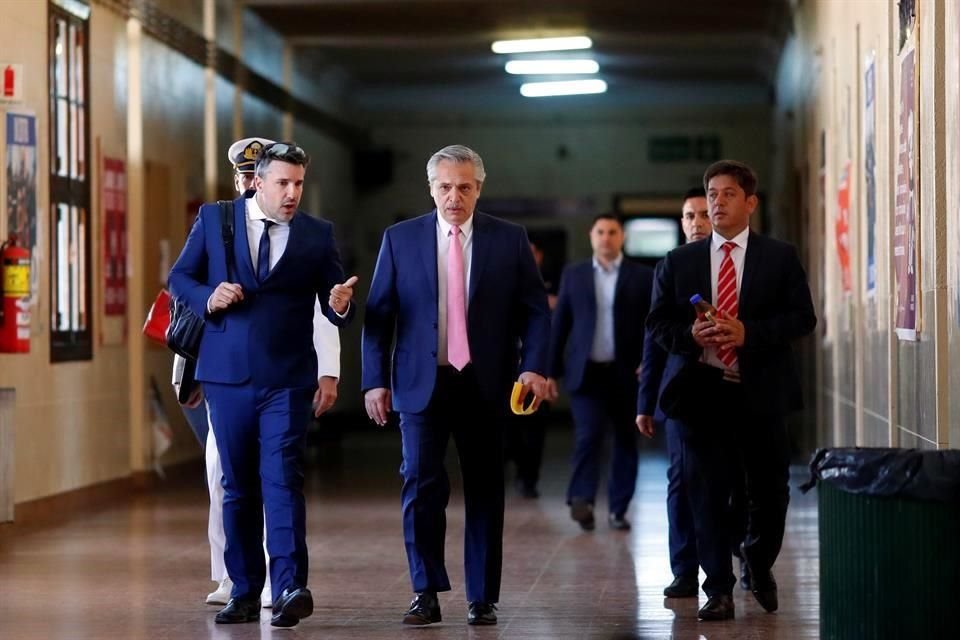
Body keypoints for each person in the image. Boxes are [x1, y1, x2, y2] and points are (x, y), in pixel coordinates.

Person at [169, 141, 357, 628]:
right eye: (283, 183)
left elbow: (334, 305)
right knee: (237, 487)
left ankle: (292, 585)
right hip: (226, 377)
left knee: (282, 480)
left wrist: (339, 304)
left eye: (298, 184)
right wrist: (209, 296)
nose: (292, 193)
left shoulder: (317, 235)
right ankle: (245, 590)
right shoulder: (216, 220)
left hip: (287, 379)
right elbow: (180, 277)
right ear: (258, 181)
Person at [361, 144, 550, 627]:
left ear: (478, 189)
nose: (454, 197)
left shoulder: (509, 240)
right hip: (419, 383)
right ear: (431, 188)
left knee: (486, 489)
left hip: (485, 384)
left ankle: (482, 596)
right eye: (445, 187)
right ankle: (425, 591)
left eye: (464, 187)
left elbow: (534, 310)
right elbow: (379, 318)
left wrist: (534, 367)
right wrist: (374, 381)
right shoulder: (399, 239)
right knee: (420, 486)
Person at [645, 160, 816, 621]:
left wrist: (748, 333)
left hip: (760, 391)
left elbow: (803, 319)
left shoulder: (778, 257)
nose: (717, 203)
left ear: (750, 202)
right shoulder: (680, 262)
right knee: (706, 491)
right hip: (704, 393)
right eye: (712, 194)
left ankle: (757, 561)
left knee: (770, 490)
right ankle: (716, 588)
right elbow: (658, 322)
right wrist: (690, 337)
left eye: (728, 194)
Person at [637, 187, 732, 598]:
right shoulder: (672, 267)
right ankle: (684, 569)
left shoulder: (733, 266)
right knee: (681, 479)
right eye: (689, 217)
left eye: (702, 215)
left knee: (727, 481)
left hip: (732, 385)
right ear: (681, 223)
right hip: (684, 392)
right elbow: (654, 340)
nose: (696, 223)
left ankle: (734, 558)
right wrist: (645, 402)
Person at [544, 214, 653, 531]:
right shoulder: (574, 274)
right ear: (591, 236)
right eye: (600, 232)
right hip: (586, 373)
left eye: (612, 232)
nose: (606, 238)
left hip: (627, 373)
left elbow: (653, 325)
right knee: (588, 436)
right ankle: (582, 499)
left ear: (623, 238)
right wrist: (549, 372)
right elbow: (560, 323)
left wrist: (650, 361)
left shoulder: (642, 276)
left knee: (624, 440)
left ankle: (618, 509)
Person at [503, 240, 556, 499]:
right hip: (504, 369)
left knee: (535, 428)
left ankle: (528, 479)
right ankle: (512, 466)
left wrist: (551, 371)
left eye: (532, 253)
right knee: (507, 428)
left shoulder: (552, 288)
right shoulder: (500, 283)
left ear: (540, 256)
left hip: (537, 369)